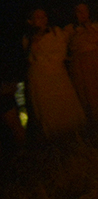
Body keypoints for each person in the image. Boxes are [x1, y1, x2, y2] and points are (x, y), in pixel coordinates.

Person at [24, 9, 86, 139]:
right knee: (47, 106)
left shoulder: (56, 32)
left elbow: (61, 51)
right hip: (40, 76)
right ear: (31, 21)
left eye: (44, 16)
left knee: (64, 101)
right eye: (38, 17)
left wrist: (49, 59)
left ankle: (74, 133)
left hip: (57, 73)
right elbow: (30, 58)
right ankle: (53, 135)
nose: (42, 19)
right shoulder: (28, 38)